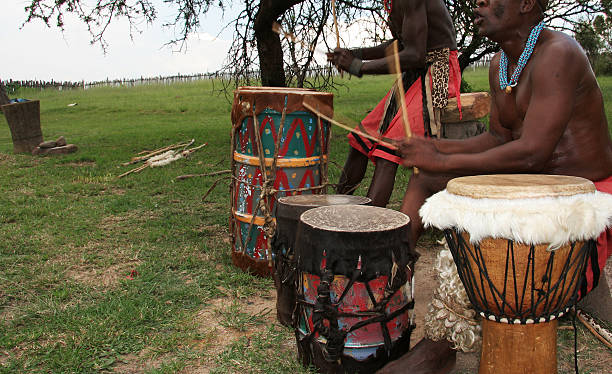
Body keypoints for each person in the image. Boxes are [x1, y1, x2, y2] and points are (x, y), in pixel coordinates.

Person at [377, 0, 612, 373]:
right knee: (426, 180)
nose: (479, 3)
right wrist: (434, 149)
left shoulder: (559, 54)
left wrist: (445, 160)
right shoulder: (502, 65)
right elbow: (498, 139)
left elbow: (533, 152)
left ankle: (441, 345)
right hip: (530, 186)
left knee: (476, 213)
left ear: (526, 4)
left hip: (580, 200)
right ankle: (389, 297)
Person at [327, 0, 462, 207]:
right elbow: (402, 44)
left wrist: (358, 66)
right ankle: (335, 212)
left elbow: (415, 55)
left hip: (439, 71)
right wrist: (357, 54)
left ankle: (368, 229)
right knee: (360, 141)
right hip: (416, 73)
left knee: (388, 151)